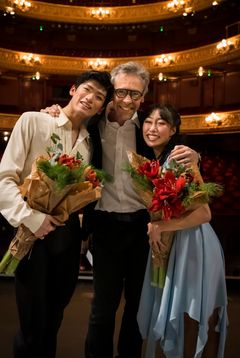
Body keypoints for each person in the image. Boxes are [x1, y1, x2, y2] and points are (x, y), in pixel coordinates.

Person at [43, 61, 200, 358]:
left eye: (136, 94)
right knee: (102, 309)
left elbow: (174, 149)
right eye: (122, 92)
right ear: (111, 91)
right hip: (104, 227)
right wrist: (52, 112)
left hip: (145, 228)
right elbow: (67, 121)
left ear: (144, 96)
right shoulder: (91, 122)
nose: (128, 100)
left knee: (138, 307)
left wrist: (194, 153)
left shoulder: (148, 128)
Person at [0, 70, 113, 358]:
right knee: (32, 324)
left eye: (99, 97)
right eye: (87, 90)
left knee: (54, 318)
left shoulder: (90, 143)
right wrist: (31, 219)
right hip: (30, 229)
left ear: (101, 107)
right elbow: (5, 178)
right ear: (73, 90)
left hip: (68, 236)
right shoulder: (33, 120)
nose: (91, 98)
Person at [137, 104, 228, 357]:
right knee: (176, 312)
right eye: (148, 122)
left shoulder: (179, 157)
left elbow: (204, 213)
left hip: (192, 241)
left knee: (189, 314)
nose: (153, 128)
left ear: (174, 129)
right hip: (174, 239)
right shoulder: (157, 159)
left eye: (161, 123)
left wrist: (160, 225)